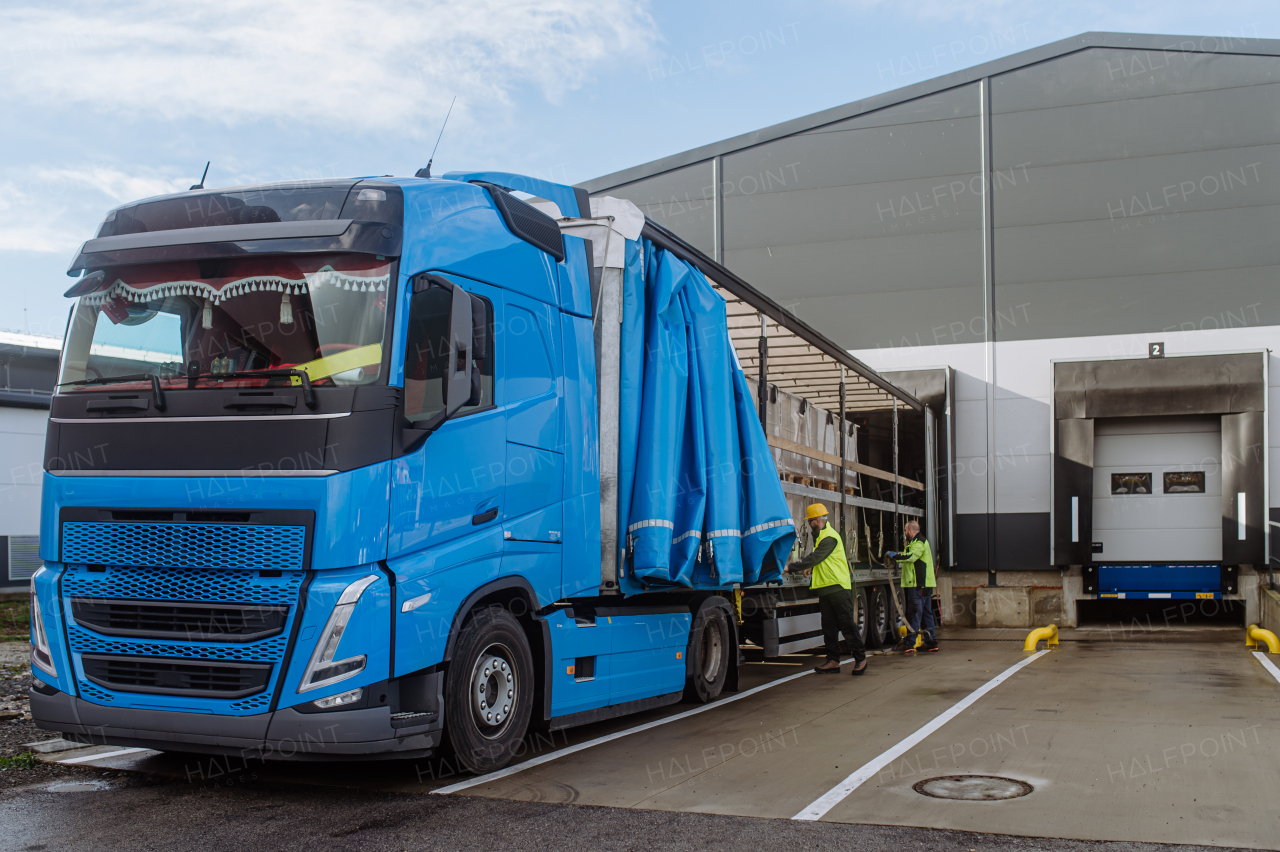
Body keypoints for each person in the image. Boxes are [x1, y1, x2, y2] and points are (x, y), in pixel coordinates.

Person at [785, 503, 867, 676]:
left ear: (817, 521)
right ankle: (833, 661)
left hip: (838, 587)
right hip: (825, 589)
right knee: (828, 627)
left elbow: (816, 557)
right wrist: (811, 568)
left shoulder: (830, 537)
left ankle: (861, 659)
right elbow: (822, 561)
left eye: (810, 522)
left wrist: (790, 567)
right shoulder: (821, 536)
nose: (809, 525)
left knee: (846, 625)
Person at [887, 520, 937, 654]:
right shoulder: (916, 543)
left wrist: (895, 556)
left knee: (913, 613)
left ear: (910, 531)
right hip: (924, 585)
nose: (904, 533)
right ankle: (931, 642)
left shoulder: (919, 543)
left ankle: (909, 643)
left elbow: (910, 556)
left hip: (917, 585)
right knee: (926, 614)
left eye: (905, 530)